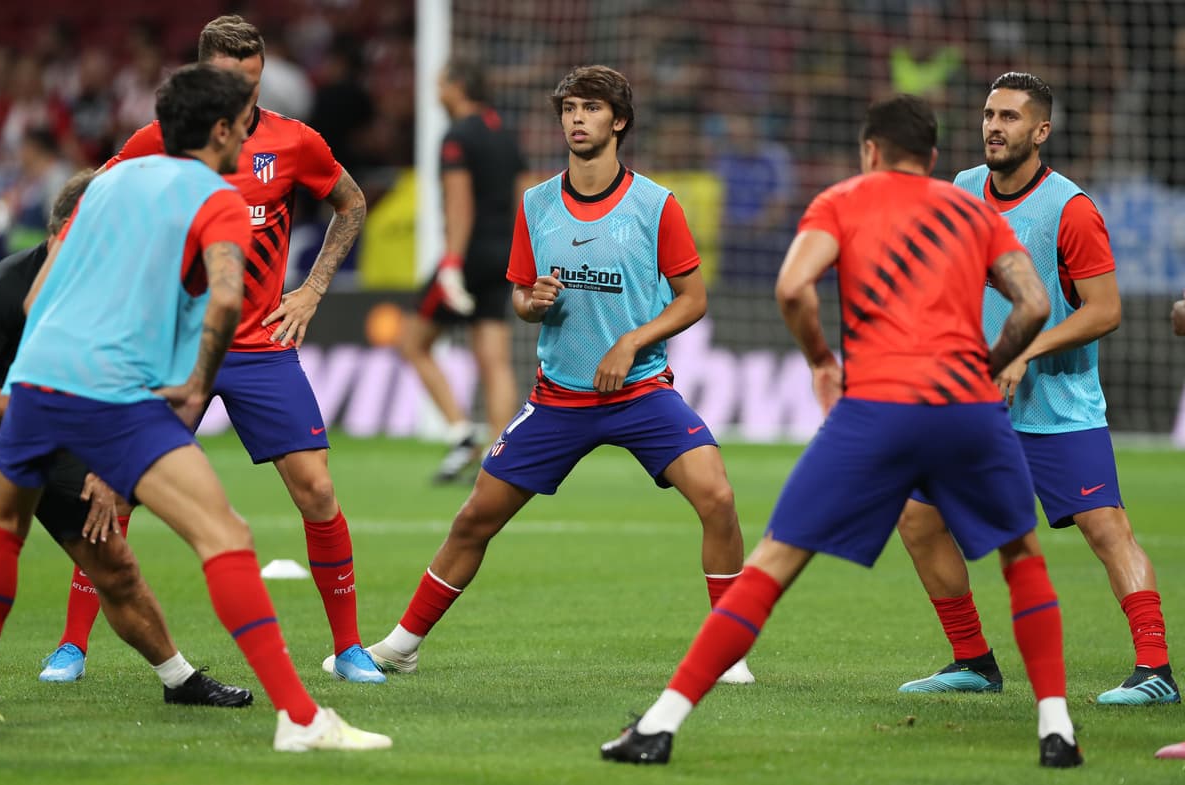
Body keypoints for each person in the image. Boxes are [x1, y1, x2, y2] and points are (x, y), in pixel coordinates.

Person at [600, 94, 1084, 768]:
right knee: (1022, 555)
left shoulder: (842, 201)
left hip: (877, 406)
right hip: (968, 409)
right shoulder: (971, 209)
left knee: (775, 559)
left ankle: (660, 724)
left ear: (870, 150)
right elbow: (1033, 303)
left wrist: (822, 362)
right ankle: (1056, 729)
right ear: (932, 157)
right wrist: (988, 364)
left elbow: (793, 287)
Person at [0, 63, 390, 752]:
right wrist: (193, 381)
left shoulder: (107, 182)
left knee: (3, 529)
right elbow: (225, 298)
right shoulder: (216, 199)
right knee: (225, 536)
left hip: (36, 377)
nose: (248, 135)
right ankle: (301, 719)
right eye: (242, 124)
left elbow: (38, 295)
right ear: (222, 130)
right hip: (116, 387)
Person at [368, 65, 754, 686]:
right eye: (570, 108)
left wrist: (631, 341)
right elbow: (521, 297)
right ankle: (402, 644)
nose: (577, 118)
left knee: (719, 498)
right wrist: (534, 302)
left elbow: (693, 299)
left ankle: (728, 653)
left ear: (618, 121)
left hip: (640, 392)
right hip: (559, 399)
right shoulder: (537, 204)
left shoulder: (656, 205)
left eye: (591, 108)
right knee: (474, 518)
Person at [39, 15, 383, 685]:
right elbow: (90, 203)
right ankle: (72, 645)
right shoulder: (157, 141)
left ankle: (348, 649)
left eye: (252, 84)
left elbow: (352, 203)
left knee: (317, 489)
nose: (242, 98)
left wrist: (312, 290)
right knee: (114, 490)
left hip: (260, 347)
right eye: (229, 83)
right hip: (172, 348)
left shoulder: (294, 141)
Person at [0, 171, 253, 716]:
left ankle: (178, 678)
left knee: (114, 565)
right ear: (63, 232)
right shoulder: (11, 283)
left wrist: (106, 464)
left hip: (67, 431)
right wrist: (35, 413)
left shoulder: (119, 287)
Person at [893, 73, 1176, 707]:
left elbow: (1105, 310)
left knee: (1106, 529)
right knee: (917, 516)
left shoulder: (1070, 209)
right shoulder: (963, 190)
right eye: (989, 114)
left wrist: (1023, 350)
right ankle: (973, 661)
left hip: (1056, 406)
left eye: (1011, 117)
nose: (994, 127)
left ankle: (1155, 670)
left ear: (1041, 130)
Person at [397, 59, 525, 484]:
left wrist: (452, 261)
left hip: (468, 255)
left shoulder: (457, 136)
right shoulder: (505, 134)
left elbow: (459, 201)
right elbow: (525, 192)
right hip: (505, 253)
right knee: (495, 360)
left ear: (457, 87)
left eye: (440, 85)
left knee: (412, 342)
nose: (436, 94)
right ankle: (499, 453)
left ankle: (461, 431)